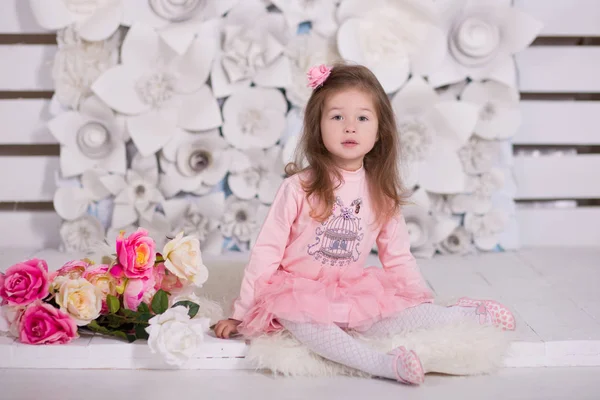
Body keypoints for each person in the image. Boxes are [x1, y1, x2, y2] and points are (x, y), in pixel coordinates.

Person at [214, 63, 515, 385]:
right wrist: (241, 312)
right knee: (306, 324)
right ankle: (383, 364)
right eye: (337, 117)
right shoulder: (299, 187)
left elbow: (397, 255)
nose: (350, 128)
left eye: (362, 117)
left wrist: (416, 296)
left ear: (379, 129)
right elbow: (267, 250)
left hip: (348, 288)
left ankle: (464, 314)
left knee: (391, 318)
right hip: (296, 288)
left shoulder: (379, 190)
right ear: (317, 127)